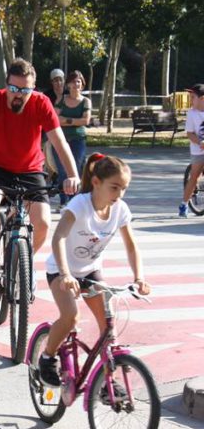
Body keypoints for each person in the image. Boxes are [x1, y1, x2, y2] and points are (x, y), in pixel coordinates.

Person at [0, 58, 80, 294]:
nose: (19, 95)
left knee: (43, 222)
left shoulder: (41, 103)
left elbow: (60, 142)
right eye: (14, 89)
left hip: (30, 168)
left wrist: (73, 175)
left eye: (25, 90)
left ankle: (22, 263)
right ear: (6, 85)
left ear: (33, 89)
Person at [38, 153, 151, 387]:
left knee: (108, 325)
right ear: (97, 182)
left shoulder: (120, 209)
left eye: (124, 188)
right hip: (62, 270)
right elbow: (59, 238)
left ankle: (109, 381)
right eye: (114, 187)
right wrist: (65, 274)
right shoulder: (79, 205)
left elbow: (131, 246)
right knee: (71, 316)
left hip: (90, 271)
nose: (120, 194)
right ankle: (48, 357)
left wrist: (139, 277)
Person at [53, 70, 91, 210]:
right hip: (61, 140)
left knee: (76, 169)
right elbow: (55, 119)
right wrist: (75, 120)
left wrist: (66, 120)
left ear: (82, 84)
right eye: (73, 81)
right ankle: (64, 201)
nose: (76, 84)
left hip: (78, 140)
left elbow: (85, 120)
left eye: (78, 81)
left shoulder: (86, 101)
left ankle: (75, 202)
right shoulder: (61, 100)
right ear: (68, 84)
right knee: (62, 170)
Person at [179, 84, 204, 218]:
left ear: (202, 99)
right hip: (198, 149)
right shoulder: (192, 113)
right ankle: (184, 204)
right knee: (194, 176)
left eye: (193, 97)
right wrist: (200, 142)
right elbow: (190, 133)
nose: (190, 100)